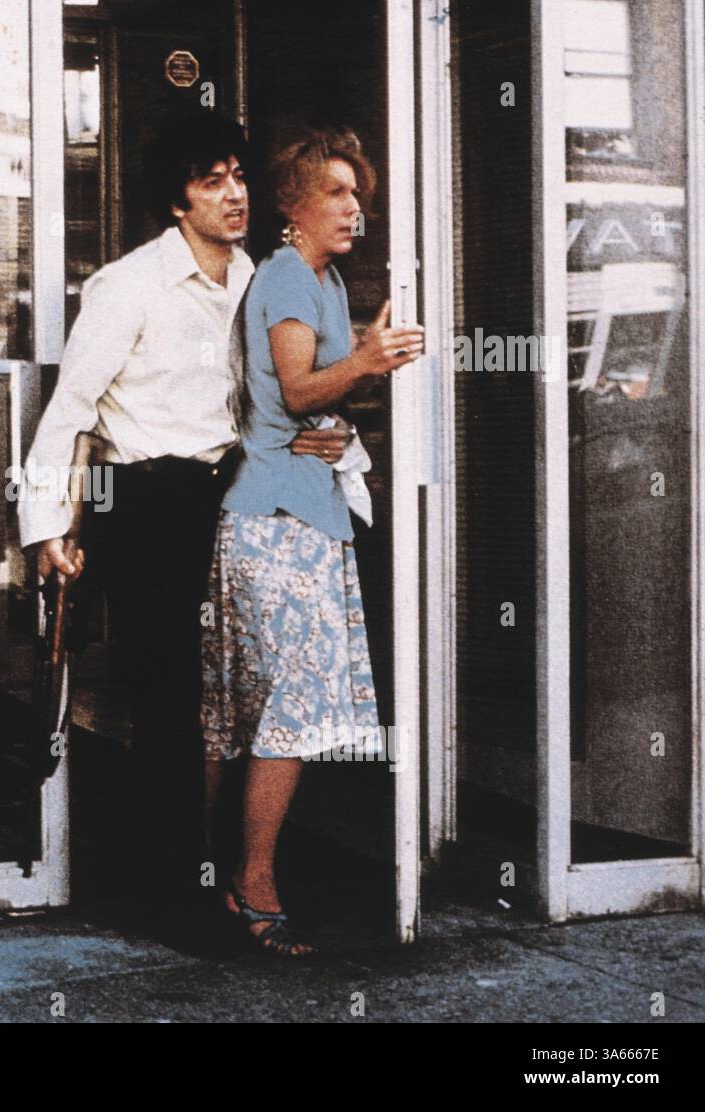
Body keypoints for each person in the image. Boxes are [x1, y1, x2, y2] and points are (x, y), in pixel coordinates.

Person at [16, 114, 351, 947]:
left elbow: (277, 394)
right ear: (176, 201)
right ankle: (172, 899)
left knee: (231, 699)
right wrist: (49, 526)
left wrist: (334, 446)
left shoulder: (256, 279)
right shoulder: (128, 286)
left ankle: (233, 877)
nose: (234, 193)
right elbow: (70, 412)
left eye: (238, 175)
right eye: (212, 180)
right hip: (148, 501)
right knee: (168, 702)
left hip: (230, 494)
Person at [200, 129, 424, 956]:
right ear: (292, 206)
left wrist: (338, 419)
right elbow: (296, 386)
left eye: (357, 194)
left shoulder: (322, 281)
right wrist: (364, 363)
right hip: (274, 527)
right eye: (336, 193)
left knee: (259, 713)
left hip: (303, 518)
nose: (353, 207)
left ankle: (226, 877)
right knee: (282, 715)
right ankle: (250, 883)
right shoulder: (291, 277)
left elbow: (301, 407)